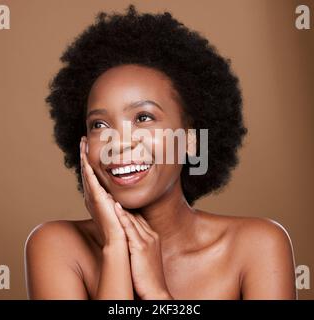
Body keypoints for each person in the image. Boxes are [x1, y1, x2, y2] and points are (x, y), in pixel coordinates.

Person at [24, 4, 297, 300]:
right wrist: (116, 249)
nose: (119, 143)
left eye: (143, 118)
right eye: (99, 124)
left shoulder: (256, 247)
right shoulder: (55, 246)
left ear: (191, 141)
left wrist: (156, 291)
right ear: (84, 146)